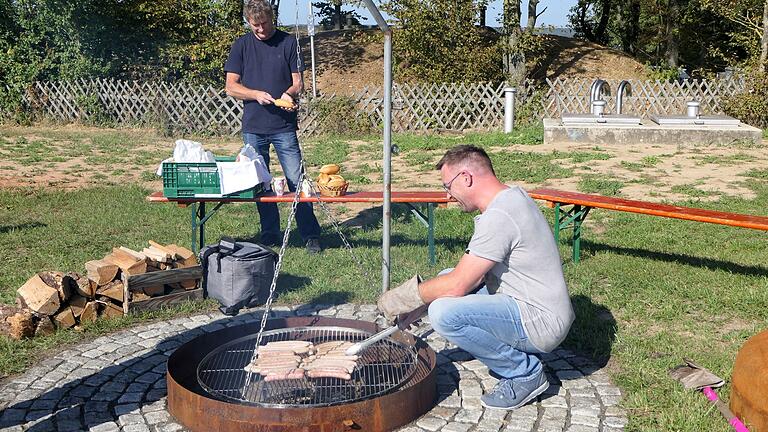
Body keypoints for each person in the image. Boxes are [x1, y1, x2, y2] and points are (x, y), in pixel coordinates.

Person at [378, 145, 575, 410]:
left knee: (444, 313)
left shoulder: (499, 217)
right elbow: (471, 277)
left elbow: (460, 285)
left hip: (541, 323)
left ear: (466, 178)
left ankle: (523, 372)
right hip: (531, 304)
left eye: (448, 186)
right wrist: (417, 308)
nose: (448, 196)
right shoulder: (511, 197)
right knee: (445, 279)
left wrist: (402, 300)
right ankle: (520, 362)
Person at [224, 0, 322, 254]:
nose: (260, 30)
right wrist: (255, 94)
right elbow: (231, 86)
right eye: (255, 26)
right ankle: (270, 233)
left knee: (297, 180)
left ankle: (310, 234)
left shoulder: (288, 42)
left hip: (283, 126)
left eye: (264, 24)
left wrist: (288, 94)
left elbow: (298, 82)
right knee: (261, 182)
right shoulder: (241, 45)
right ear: (249, 23)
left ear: (272, 19)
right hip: (253, 126)